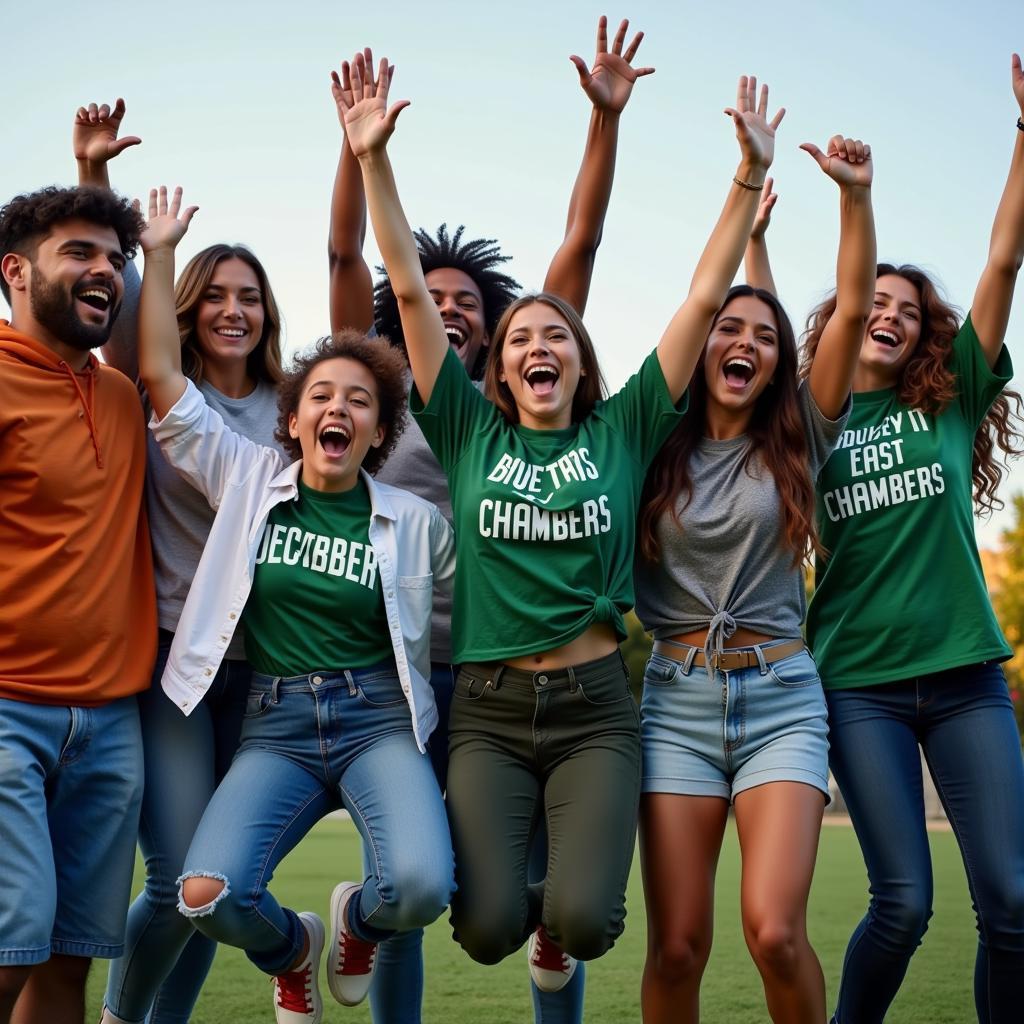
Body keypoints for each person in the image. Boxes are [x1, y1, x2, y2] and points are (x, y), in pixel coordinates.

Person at [339, 52, 783, 987]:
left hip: (595, 712)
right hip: (489, 713)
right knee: (488, 927)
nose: (539, 346)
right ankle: (480, 905)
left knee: (584, 923)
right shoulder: (464, 431)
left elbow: (705, 298)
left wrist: (748, 175)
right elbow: (411, 291)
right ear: (496, 371)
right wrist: (373, 157)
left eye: (557, 336)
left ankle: (562, 908)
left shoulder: (624, 429)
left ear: (581, 362)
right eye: (520, 341)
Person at [327, 18, 652, 1023]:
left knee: (568, 888)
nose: (453, 306)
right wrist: (360, 147)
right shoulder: (389, 396)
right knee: (423, 884)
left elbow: (579, 247)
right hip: (403, 671)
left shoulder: (515, 408)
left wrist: (602, 126)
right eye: (435, 295)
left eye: (474, 298)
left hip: (508, 661)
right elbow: (353, 249)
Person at [134, 186, 457, 1024]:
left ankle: (357, 918)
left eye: (359, 400)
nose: (338, 408)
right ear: (294, 416)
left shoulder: (415, 521)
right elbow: (163, 377)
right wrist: (160, 252)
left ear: (380, 429)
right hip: (273, 722)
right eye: (321, 395)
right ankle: (293, 948)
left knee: (420, 887)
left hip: (377, 717)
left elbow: (501, 583)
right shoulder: (246, 477)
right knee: (204, 895)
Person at [757, 54, 1024, 1024]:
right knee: (902, 903)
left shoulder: (950, 396)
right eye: (876, 303)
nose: (892, 317)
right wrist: (845, 205)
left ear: (925, 339)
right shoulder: (813, 414)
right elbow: (818, 288)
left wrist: (1023, 134)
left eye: (909, 315)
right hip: (859, 681)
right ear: (848, 312)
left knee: (1013, 903)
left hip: (963, 676)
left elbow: (1001, 260)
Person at [633, 133, 876, 1023]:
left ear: (779, 362)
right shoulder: (649, 443)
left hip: (780, 695)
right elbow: (709, 295)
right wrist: (742, 203)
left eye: (764, 336)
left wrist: (855, 196)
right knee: (676, 947)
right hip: (675, 702)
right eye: (727, 331)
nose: (743, 344)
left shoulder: (799, 440)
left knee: (775, 932)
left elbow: (850, 313)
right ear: (701, 350)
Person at [73, 101, 290, 1024]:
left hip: (271, 669)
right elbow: (120, 311)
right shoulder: (155, 395)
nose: (234, 310)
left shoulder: (295, 410)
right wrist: (99, 183)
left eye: (251, 296)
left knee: (216, 885)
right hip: (171, 663)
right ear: (188, 310)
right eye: (218, 295)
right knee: (175, 881)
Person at [0, 182, 155, 1024]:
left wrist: (92, 171)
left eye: (116, 259)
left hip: (108, 722)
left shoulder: (122, 396)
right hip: (6, 710)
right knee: (9, 935)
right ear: (15, 273)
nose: (107, 272)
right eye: (80, 254)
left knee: (68, 959)